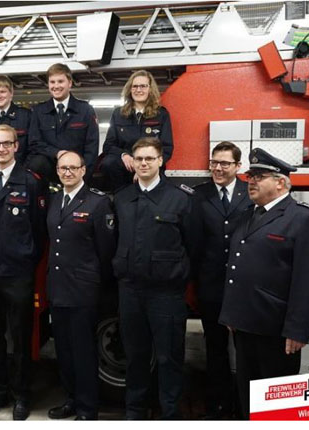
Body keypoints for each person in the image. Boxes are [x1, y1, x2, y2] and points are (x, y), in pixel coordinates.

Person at [219, 148, 309, 419]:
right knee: (248, 396)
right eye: (251, 176)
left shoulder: (304, 218)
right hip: (245, 325)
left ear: (281, 182)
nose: (251, 181)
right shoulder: (249, 215)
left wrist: (298, 330)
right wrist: (231, 314)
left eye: (260, 176)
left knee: (275, 404)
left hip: (277, 330)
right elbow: (237, 267)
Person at [113, 137, 193, 419]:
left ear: (161, 161)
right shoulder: (122, 198)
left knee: (168, 358)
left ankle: (169, 414)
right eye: (139, 159)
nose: (144, 163)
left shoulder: (180, 199)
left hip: (166, 295)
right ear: (132, 162)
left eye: (150, 158)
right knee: (134, 358)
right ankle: (134, 413)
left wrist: (178, 276)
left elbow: (193, 245)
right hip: (130, 292)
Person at [0, 124, 47, 420]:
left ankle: (21, 395)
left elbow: (40, 231)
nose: (1, 149)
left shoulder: (30, 182)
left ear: (16, 146)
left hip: (18, 275)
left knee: (20, 338)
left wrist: (26, 259)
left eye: (7, 143)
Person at [46, 151, 116, 420]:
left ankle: (88, 408)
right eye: (63, 168)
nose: (67, 173)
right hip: (58, 288)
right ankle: (71, 400)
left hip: (83, 291)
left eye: (73, 168)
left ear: (83, 171)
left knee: (83, 353)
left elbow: (105, 250)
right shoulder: (55, 200)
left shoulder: (97, 203)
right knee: (63, 351)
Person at [189, 141, 253, 419]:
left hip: (243, 288)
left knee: (246, 352)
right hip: (211, 286)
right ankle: (218, 407)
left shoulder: (249, 194)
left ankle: (244, 408)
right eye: (214, 162)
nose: (217, 168)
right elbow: (193, 242)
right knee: (215, 350)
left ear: (238, 167)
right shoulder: (197, 195)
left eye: (225, 163)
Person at [101, 70, 173, 191]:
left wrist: (143, 169)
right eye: (135, 86)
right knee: (108, 163)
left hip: (150, 167)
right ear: (130, 89)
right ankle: (120, 198)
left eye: (143, 86)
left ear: (150, 89)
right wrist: (123, 155)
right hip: (124, 168)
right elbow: (108, 145)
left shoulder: (161, 114)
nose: (138, 90)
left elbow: (166, 148)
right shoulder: (118, 114)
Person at [28, 63, 99, 183]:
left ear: (70, 83)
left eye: (60, 81)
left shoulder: (85, 110)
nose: (56, 86)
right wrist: (57, 153)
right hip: (49, 171)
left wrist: (83, 175)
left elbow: (91, 147)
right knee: (36, 162)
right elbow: (35, 143)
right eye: (52, 82)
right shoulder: (39, 111)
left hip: (77, 171)